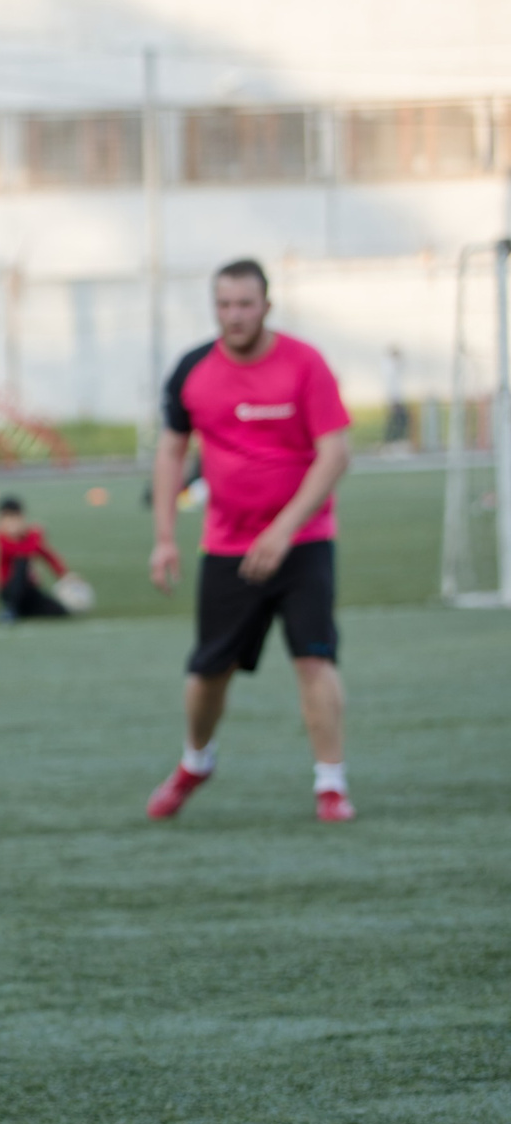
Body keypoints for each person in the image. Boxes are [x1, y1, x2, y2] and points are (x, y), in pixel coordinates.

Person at [146, 259, 355, 824]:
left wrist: (283, 530)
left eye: (245, 304)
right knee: (208, 672)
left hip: (303, 541)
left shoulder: (304, 364)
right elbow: (170, 452)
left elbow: (335, 453)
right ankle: (196, 761)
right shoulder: (191, 369)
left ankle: (330, 785)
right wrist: (164, 538)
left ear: (267, 305)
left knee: (315, 657)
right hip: (227, 548)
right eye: (224, 304)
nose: (234, 316)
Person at [0, 495, 76, 621]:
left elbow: (48, 556)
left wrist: (64, 575)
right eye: (7, 520)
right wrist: (37, 535)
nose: (11, 524)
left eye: (14, 518)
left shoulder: (29, 537)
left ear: (22, 518)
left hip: (29, 591)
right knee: (21, 562)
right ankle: (10, 610)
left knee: (60, 611)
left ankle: (20, 611)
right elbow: (19, 551)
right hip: (9, 591)